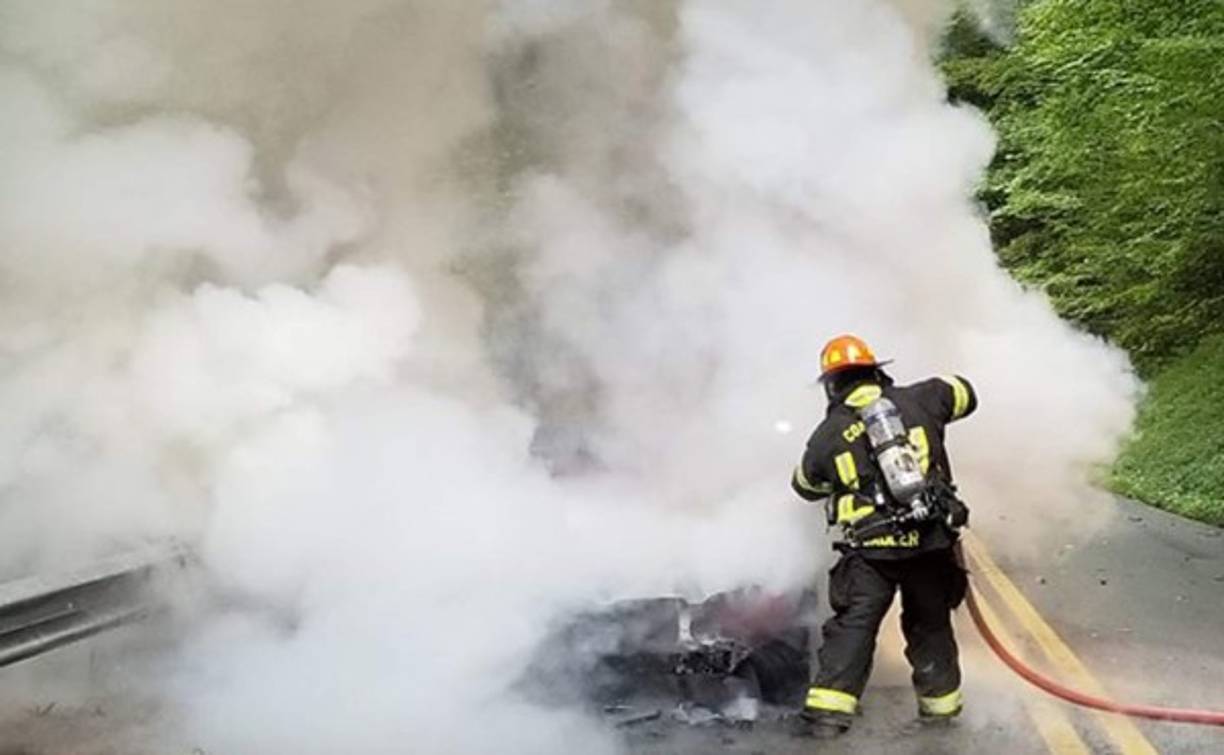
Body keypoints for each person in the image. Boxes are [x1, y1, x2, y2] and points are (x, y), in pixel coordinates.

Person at [789, 334, 977, 738]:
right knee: (931, 625)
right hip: (928, 542)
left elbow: (804, 486)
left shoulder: (827, 433)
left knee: (854, 628)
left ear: (832, 384)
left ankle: (827, 716)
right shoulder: (924, 398)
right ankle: (940, 711)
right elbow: (966, 393)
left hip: (872, 554)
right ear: (877, 370)